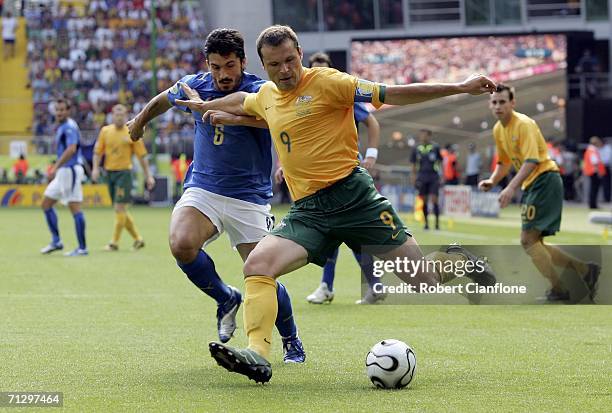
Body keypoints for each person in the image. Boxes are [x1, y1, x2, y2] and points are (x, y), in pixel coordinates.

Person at [175, 25, 498, 384]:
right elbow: (245, 101)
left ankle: (458, 259)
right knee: (258, 265)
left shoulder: (330, 82)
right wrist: (211, 107)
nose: (284, 70)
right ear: (262, 67)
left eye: (289, 61)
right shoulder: (266, 93)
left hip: (356, 199)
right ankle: (258, 354)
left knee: (424, 281)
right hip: (310, 210)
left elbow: (395, 94)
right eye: (274, 65)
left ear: (300, 54)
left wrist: (460, 87)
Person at [126, 28, 305, 363]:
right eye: (216, 67)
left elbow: (279, 121)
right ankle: (226, 298)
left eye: (230, 66)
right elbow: (163, 100)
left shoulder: (260, 89)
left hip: (248, 196)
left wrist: (229, 116)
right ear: (207, 64)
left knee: (263, 272)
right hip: (204, 189)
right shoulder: (195, 84)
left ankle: (291, 338)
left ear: (243, 62)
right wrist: (138, 122)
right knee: (181, 243)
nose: (223, 74)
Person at [479, 84, 600, 302]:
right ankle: (585, 271)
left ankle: (559, 289)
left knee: (528, 241)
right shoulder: (499, 129)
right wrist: (493, 180)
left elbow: (532, 161)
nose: (498, 106)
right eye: (494, 102)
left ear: (512, 103)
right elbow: (504, 162)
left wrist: (510, 187)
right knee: (536, 243)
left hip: (545, 179)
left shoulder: (524, 124)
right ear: (490, 105)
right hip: (533, 184)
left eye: (502, 101)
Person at [294, 51, 384, 305]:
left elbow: (372, 122)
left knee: (346, 230)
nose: (319, 73)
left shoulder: (339, 93)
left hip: (345, 171)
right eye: (314, 68)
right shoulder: (299, 99)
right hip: (318, 175)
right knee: (336, 230)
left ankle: (333, 286)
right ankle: (346, 285)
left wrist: (372, 155)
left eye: (324, 68)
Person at [92, 104, 155, 251]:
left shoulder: (132, 130)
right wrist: (95, 169)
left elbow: (142, 156)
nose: (119, 117)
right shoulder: (105, 131)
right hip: (109, 173)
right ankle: (138, 239)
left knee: (119, 207)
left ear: (126, 116)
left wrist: (148, 176)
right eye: (116, 114)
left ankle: (114, 243)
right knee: (119, 209)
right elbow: (97, 152)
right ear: (112, 115)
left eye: (122, 114)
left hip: (124, 174)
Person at [40, 98, 88, 256]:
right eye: (57, 110)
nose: (59, 112)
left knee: (75, 208)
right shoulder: (63, 126)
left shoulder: (69, 127)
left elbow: (72, 149)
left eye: (62, 110)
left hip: (70, 170)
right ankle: (56, 241)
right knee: (46, 203)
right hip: (63, 172)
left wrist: (56, 166)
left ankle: (82, 248)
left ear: (68, 111)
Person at [411, 129, 443, 230]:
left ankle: (437, 224)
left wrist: (442, 176)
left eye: (425, 135)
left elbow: (441, 162)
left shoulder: (435, 147)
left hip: (433, 176)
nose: (422, 137)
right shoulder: (416, 148)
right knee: (424, 200)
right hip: (422, 176)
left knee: (434, 199)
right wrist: (413, 177)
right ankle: (426, 224)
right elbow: (413, 164)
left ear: (429, 136)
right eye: (421, 135)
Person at [582, 136, 606, 209]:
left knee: (593, 188)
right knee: (594, 189)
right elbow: (595, 162)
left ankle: (592, 204)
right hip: (594, 172)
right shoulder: (593, 150)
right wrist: (598, 172)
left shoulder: (589, 150)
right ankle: (593, 204)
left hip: (591, 171)